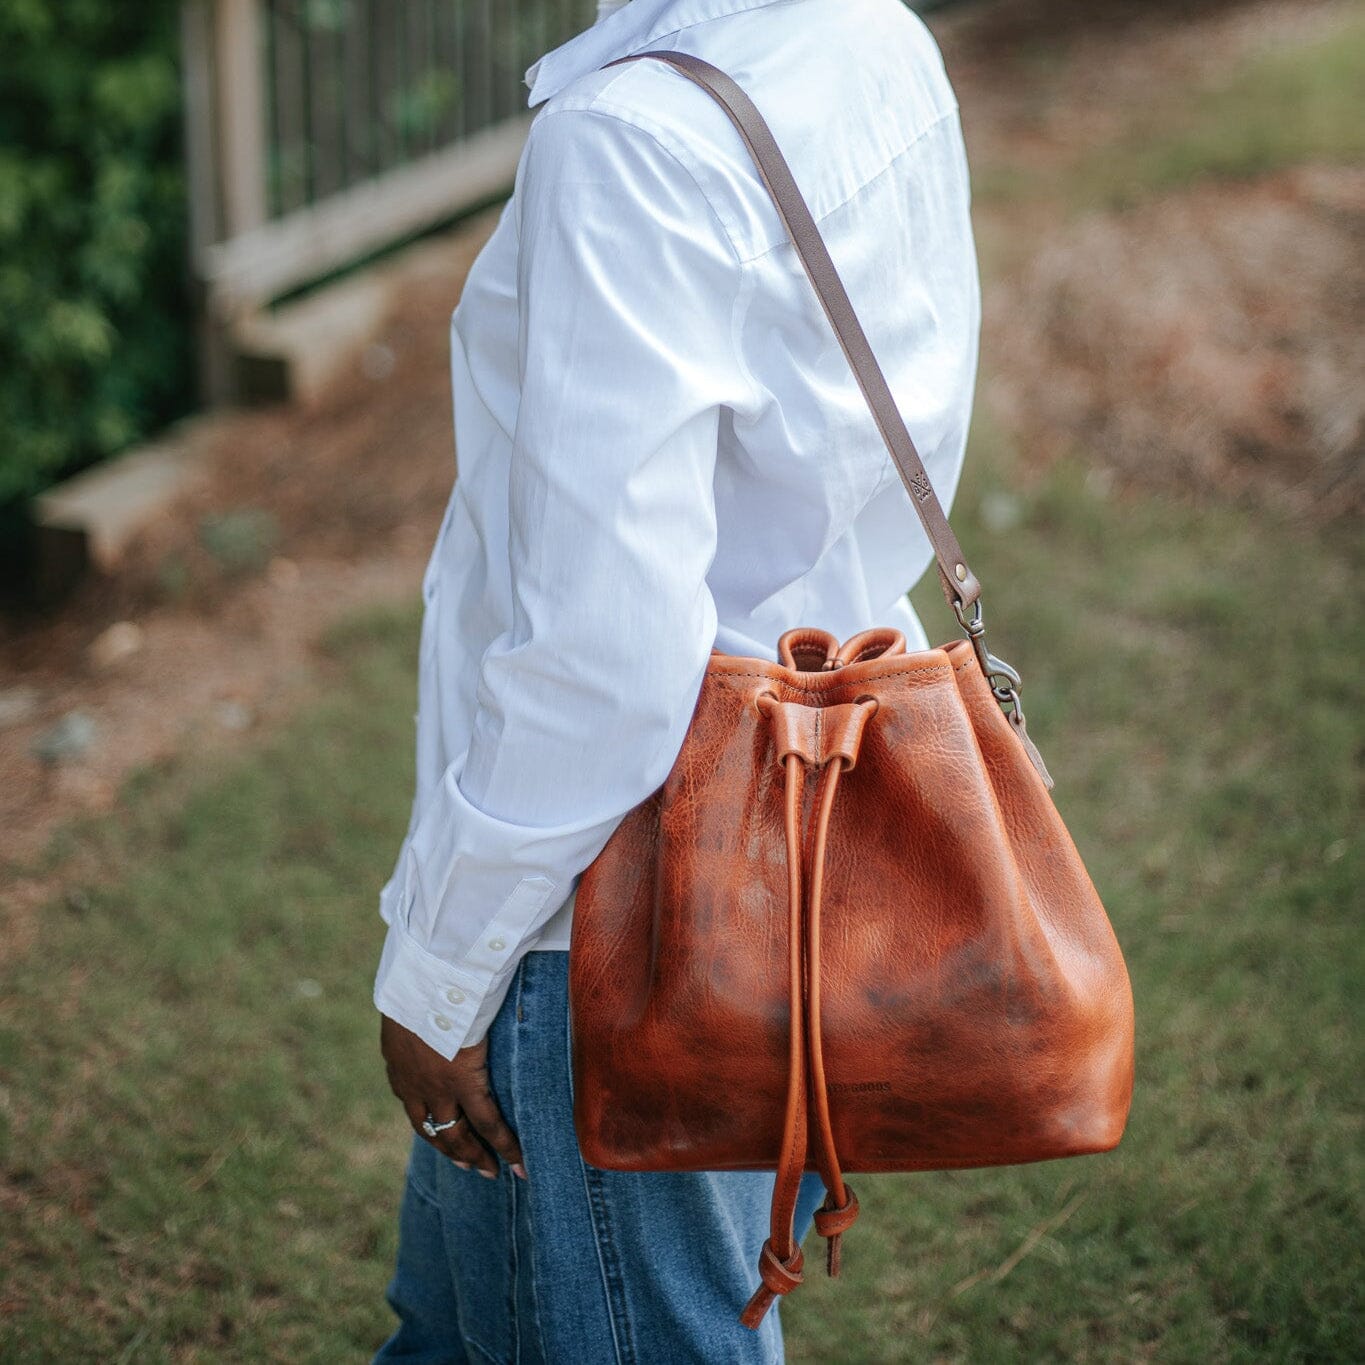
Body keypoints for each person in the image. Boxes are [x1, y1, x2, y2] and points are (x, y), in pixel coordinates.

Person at [371, 0, 980, 1359]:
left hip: (607, 912)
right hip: (800, 841)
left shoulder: (625, 139)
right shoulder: (864, 33)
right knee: (457, 1338)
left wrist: (438, 965)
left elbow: (605, 662)